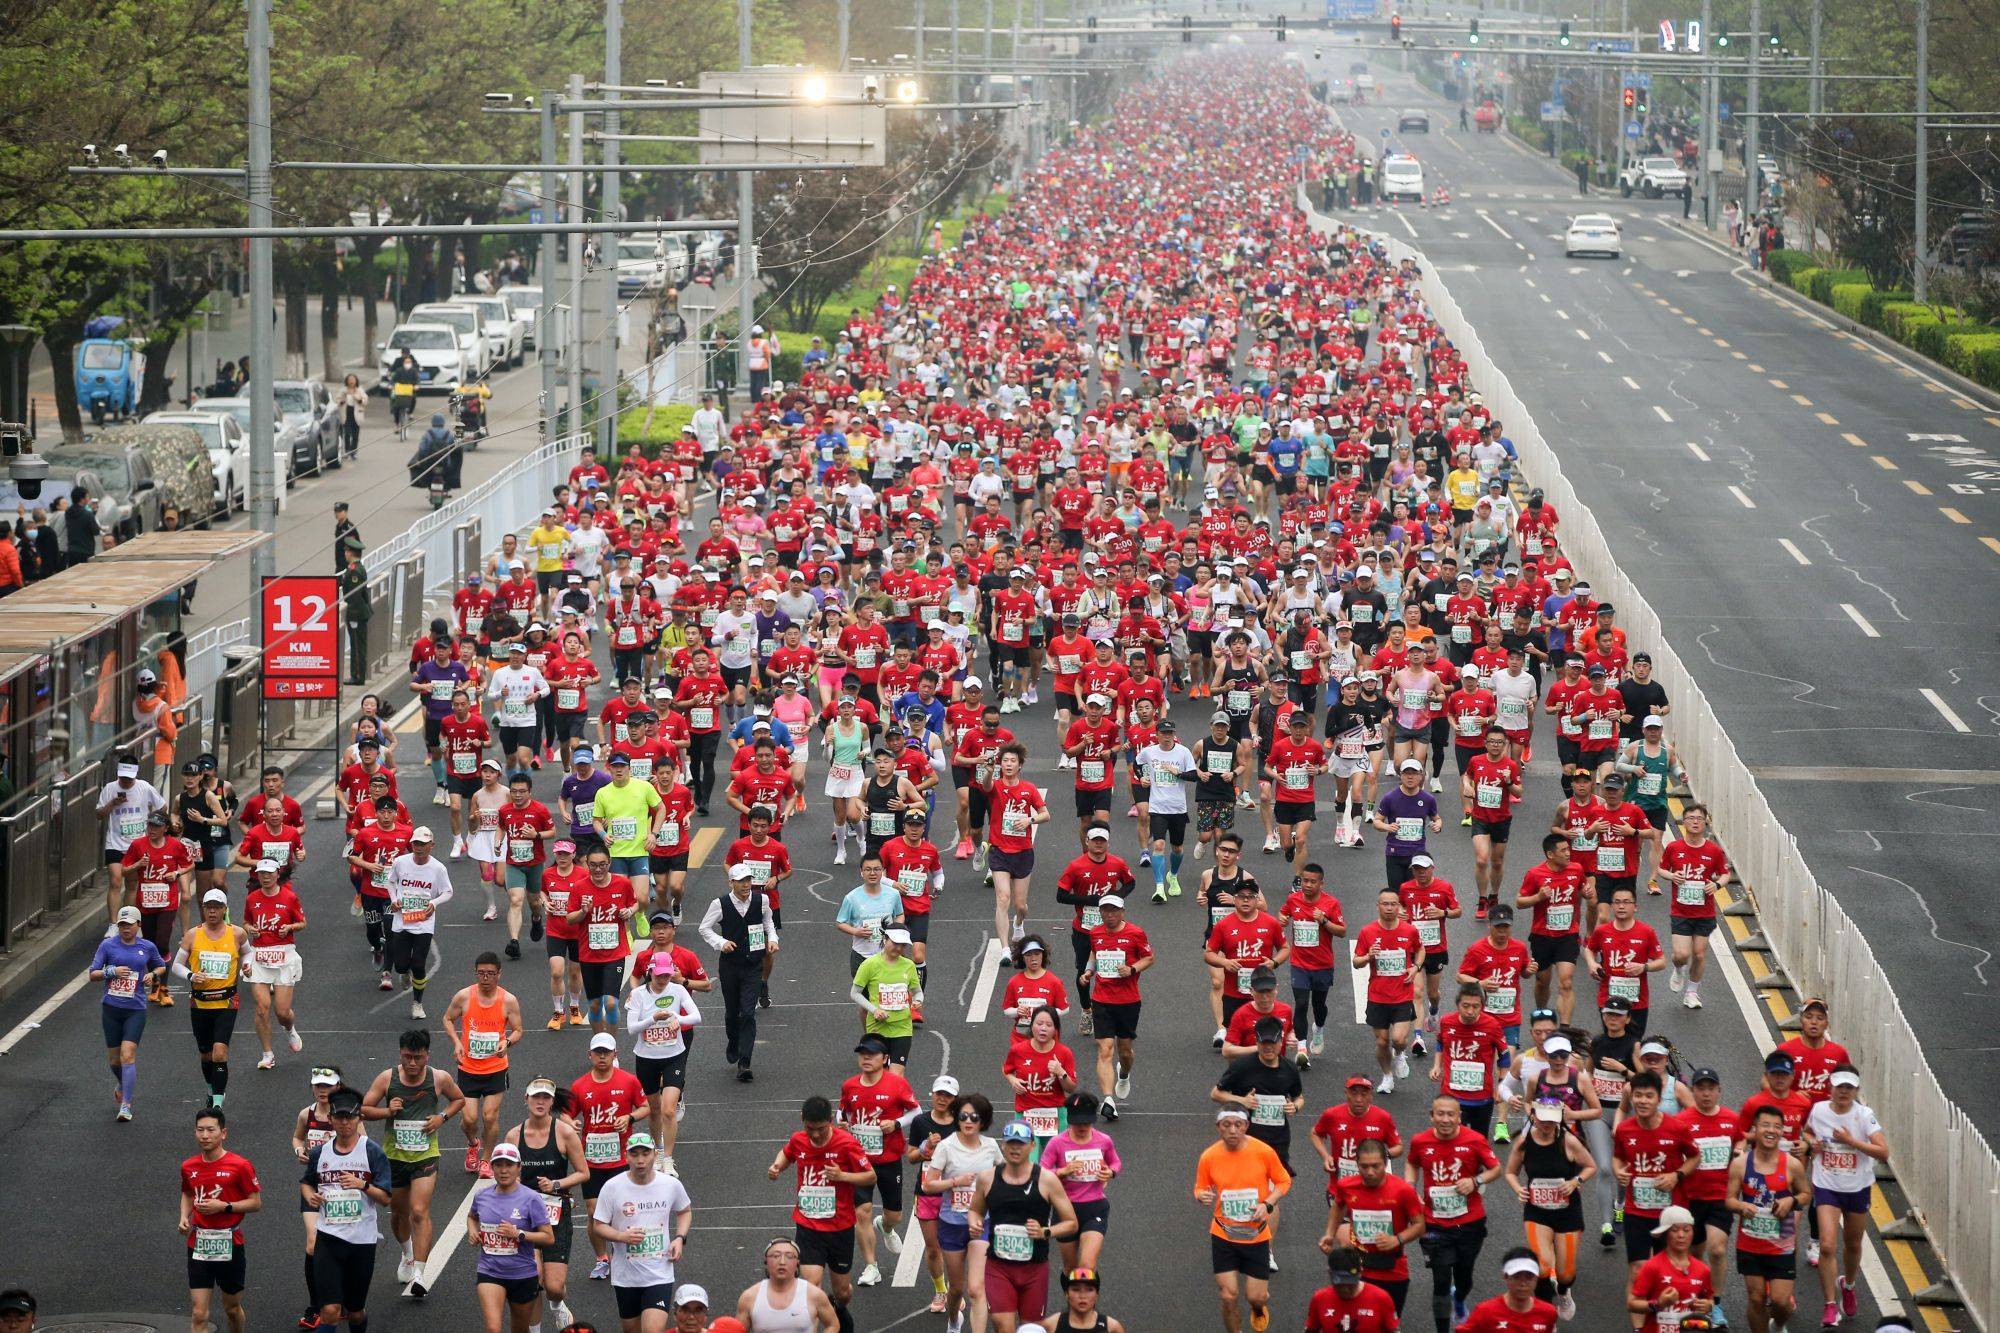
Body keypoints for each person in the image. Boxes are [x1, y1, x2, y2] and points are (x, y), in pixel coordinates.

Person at [362, 1028, 467, 1297]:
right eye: (407, 1057)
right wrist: (387, 1111)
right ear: (400, 1054)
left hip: (425, 1155)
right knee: (399, 1214)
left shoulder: (439, 1078)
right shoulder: (387, 1078)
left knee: (419, 1211)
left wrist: (441, 1117)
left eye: (417, 1058)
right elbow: (363, 1109)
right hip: (393, 1157)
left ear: (426, 1055)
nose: (412, 1063)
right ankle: (407, 1253)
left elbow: (458, 1099)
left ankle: (420, 1272)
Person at [768, 1096, 875, 1333]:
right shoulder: (798, 1140)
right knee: (810, 1286)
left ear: (830, 1121)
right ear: (802, 1122)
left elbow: (870, 1176)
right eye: (810, 1129)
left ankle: (837, 1307)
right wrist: (777, 1166)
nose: (815, 1135)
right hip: (809, 1225)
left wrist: (843, 1176)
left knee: (842, 1291)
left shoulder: (846, 1143)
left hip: (840, 1228)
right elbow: (787, 1153)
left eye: (821, 1129)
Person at [969, 1119, 1080, 1333]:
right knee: (1003, 1327)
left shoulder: (1047, 1180)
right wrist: (974, 1222)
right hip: (998, 1267)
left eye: (1020, 1143)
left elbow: (1071, 1223)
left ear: (1032, 1145)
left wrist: (1045, 1232)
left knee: (1031, 1329)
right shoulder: (987, 1178)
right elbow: (975, 1210)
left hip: (1034, 1269)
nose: (1015, 1148)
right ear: (1003, 1146)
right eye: (1011, 1143)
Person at [1406, 1094, 1502, 1331]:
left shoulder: (1475, 1140)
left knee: (1464, 1278)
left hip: (1470, 1223)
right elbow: (1411, 1163)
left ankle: (1459, 1298)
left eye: (1451, 1114)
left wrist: (1476, 1181)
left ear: (1460, 1117)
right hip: (1434, 1223)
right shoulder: (1420, 1141)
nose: (1446, 1119)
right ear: (1432, 1117)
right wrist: (1410, 1188)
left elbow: (1495, 1168)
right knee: (1440, 1281)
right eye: (1440, 1114)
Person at [303, 1085, 395, 1332]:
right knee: (330, 1310)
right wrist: (311, 1197)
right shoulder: (319, 1153)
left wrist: (362, 1184)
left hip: (361, 1242)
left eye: (350, 1117)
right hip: (329, 1238)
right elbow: (307, 1183)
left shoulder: (372, 1152)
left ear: (359, 1118)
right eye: (340, 1117)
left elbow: (386, 1198)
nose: (345, 1123)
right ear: (331, 1119)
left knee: (355, 1312)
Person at [1193, 1106, 1290, 1333]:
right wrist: (1201, 1195)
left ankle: (1258, 1308)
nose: (1233, 1130)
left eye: (1238, 1124)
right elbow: (1200, 1186)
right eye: (1227, 1125)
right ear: (1219, 1127)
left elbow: (1283, 1181)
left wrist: (1267, 1203)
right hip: (1223, 1234)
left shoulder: (1263, 1152)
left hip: (1255, 1237)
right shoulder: (1209, 1156)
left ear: (1246, 1126)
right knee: (1228, 1296)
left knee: (1256, 1297)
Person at [504, 1076, 589, 1329]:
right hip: (525, 1216)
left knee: (553, 1286)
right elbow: (505, 1175)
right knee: (533, 1281)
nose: (540, 1101)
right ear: (526, 1099)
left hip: (555, 1215)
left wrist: (556, 1184)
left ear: (552, 1102)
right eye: (536, 1096)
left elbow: (583, 1172)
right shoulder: (513, 1136)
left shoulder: (563, 1133)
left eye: (546, 1097)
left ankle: (557, 1303)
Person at [588, 1131, 694, 1333]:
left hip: (659, 1272)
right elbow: (598, 1225)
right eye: (634, 1154)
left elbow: (685, 1211)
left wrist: (680, 1238)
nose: (640, 1160)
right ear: (626, 1156)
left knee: (652, 1330)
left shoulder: (670, 1184)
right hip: (626, 1276)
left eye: (645, 1154)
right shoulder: (612, 1187)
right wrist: (621, 1237)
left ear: (654, 1155)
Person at [1808, 1067, 1888, 1326]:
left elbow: (1883, 1152)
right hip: (1826, 1185)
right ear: (1830, 1087)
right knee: (1828, 1245)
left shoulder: (1864, 1116)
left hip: (1856, 1188)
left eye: (1849, 1088)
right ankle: (1830, 1305)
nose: (1844, 1092)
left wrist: (1852, 1142)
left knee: (1853, 1245)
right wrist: (1812, 1143)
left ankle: (1849, 1285)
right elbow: (1806, 1132)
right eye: (1840, 1086)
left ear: (1856, 1091)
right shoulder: (1819, 1110)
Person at [1504, 1100, 1595, 1318]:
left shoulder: (1569, 1142)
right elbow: (1510, 1172)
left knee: (1565, 1273)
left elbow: (1591, 1166)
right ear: (1534, 1116)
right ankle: (1545, 1315)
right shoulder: (1524, 1142)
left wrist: (1575, 1181)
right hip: (1537, 1212)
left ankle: (1563, 1292)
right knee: (1543, 1267)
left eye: (1551, 1119)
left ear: (1559, 1119)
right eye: (1542, 1117)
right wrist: (1518, 1189)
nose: (1546, 1123)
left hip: (1567, 1213)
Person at [1728, 1103, 1811, 1333]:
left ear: (1783, 1131)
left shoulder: (1792, 1165)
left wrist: (1790, 1202)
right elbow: (1729, 1200)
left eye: (1777, 1126)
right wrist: (1741, 1206)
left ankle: (1779, 1325)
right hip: (1750, 1241)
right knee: (1755, 1299)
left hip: (1781, 1242)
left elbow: (1806, 1194)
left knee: (1781, 1302)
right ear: (1755, 1129)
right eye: (1765, 1125)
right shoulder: (1741, 1164)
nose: (1771, 1130)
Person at [181, 1105, 263, 1333]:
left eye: (210, 1130)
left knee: (232, 1308)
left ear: (223, 1133)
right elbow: (187, 1192)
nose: (205, 1136)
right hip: (198, 1243)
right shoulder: (189, 1166)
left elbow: (255, 1202)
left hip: (230, 1242)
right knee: (199, 1313)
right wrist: (183, 1217)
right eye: (200, 1130)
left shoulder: (240, 1166)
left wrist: (224, 1206)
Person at [443, 951, 526, 1177]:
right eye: (481, 973)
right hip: (468, 1067)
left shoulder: (508, 1000)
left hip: (495, 1068)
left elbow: (518, 1030)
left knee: (490, 1116)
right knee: (468, 1119)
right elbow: (448, 1018)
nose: (485, 978)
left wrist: (507, 1042)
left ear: (499, 973)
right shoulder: (464, 996)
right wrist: (457, 1043)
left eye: (490, 973)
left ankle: (487, 1160)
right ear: (476, 973)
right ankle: (473, 1143)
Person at [700, 860, 780, 1082]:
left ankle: (745, 1062)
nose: (746, 885)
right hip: (730, 965)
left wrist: (772, 940)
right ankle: (733, 1040)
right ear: (731, 883)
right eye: (741, 881)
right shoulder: (720, 904)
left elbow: (769, 924)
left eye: (748, 880)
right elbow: (704, 928)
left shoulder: (762, 900)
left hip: (753, 964)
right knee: (732, 1011)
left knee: (748, 1012)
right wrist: (720, 942)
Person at [172, 888, 252, 1108]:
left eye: (217, 908)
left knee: (219, 1052)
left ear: (225, 909)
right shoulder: (192, 935)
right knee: (206, 1054)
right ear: (204, 909)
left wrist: (247, 966)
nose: (213, 912)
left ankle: (217, 1103)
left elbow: (248, 952)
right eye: (209, 907)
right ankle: (210, 1088)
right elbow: (176, 965)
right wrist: (190, 975)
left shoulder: (236, 933)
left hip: (226, 1001)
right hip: (200, 1002)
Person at [468, 1141, 557, 1333]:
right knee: (493, 1328)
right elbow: (471, 1217)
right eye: (498, 1165)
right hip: (490, 1271)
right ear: (492, 1168)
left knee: (519, 1329)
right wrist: (473, 1231)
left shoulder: (532, 1198)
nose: (503, 1170)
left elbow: (548, 1238)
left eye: (509, 1165)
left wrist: (519, 1234)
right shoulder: (482, 1196)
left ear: (519, 1167)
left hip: (522, 1274)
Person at [92, 904, 168, 1119]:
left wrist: (153, 974)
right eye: (121, 925)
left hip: (135, 1009)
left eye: (129, 925)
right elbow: (92, 974)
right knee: (115, 1061)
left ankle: (126, 1104)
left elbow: (161, 965)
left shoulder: (147, 946)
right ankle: (122, 1083)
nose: (125, 929)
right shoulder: (108, 946)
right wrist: (111, 971)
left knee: (128, 1055)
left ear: (138, 925)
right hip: (111, 1008)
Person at [627, 956, 702, 1160]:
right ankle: (658, 1149)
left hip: (673, 1056)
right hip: (646, 1057)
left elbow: (697, 1016)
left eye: (667, 975)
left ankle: (667, 1158)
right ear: (650, 972)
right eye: (659, 975)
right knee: (654, 1110)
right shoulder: (638, 994)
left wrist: (677, 1018)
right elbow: (632, 1028)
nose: (663, 979)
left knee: (668, 1110)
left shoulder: (677, 990)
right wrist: (653, 1019)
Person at [241, 857, 307, 1070]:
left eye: (269, 873)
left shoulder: (290, 897)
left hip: (284, 955)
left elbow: (302, 923)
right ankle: (267, 1054)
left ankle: (290, 1029)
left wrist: (289, 927)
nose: (266, 877)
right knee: (262, 1008)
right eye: (262, 874)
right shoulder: (252, 898)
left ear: (278, 874)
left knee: (281, 1011)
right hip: (260, 955)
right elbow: (246, 921)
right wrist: (250, 929)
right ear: (257, 875)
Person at [387, 827, 454, 1020]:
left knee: (418, 964)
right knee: (400, 966)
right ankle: (404, 973)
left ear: (431, 846)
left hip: (423, 922)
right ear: (411, 844)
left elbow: (448, 891)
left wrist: (433, 903)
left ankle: (417, 1003)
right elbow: (391, 882)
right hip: (402, 920)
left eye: (423, 844)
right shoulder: (400, 862)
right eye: (416, 843)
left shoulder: (438, 868)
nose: (419, 848)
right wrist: (393, 899)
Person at [98, 758, 168, 925]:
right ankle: (113, 924)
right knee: (115, 880)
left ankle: (127, 920)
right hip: (114, 843)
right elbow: (99, 814)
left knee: (132, 882)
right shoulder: (110, 789)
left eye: (129, 778)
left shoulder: (144, 787)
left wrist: (151, 822)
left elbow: (162, 806)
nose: (126, 781)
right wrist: (112, 804)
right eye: (123, 777)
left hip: (137, 844)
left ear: (135, 774)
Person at [1629, 1205, 1717, 1332]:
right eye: (1675, 1230)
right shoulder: (1652, 1266)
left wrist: (1708, 1306)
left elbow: (1709, 1298)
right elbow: (1632, 1304)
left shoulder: (1703, 1270)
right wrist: (1658, 1304)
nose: (1681, 1235)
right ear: (1665, 1234)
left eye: (1686, 1230)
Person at [736, 1236, 841, 1332]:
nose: (782, 1261)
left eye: (789, 1256)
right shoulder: (749, 1297)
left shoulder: (814, 1295)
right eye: (776, 1256)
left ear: (797, 1264)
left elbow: (832, 1324)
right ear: (766, 1262)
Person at [1456, 1246, 1559, 1331]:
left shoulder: (1548, 1313)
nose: (1523, 1283)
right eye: (1517, 1276)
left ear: (1537, 1278)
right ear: (1505, 1277)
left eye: (1529, 1277)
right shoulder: (1485, 1312)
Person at [1303, 1246, 1399, 1332]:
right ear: (1329, 1273)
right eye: (1340, 1284)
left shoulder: (1381, 1298)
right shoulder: (1319, 1299)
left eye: (1350, 1284)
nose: (1345, 1289)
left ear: (1360, 1272)